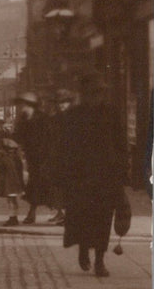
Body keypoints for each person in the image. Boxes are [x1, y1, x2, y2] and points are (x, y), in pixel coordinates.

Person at [54, 74, 123, 277]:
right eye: (93, 93)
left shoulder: (111, 113)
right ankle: (84, 251)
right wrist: (62, 174)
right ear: (85, 95)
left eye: (100, 93)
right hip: (80, 176)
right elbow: (63, 146)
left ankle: (100, 261)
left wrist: (121, 170)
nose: (97, 97)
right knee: (82, 217)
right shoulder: (74, 115)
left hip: (105, 174)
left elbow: (120, 143)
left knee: (103, 219)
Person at [41, 88, 75, 225]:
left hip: (69, 157)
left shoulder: (74, 118)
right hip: (55, 156)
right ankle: (60, 213)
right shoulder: (56, 118)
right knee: (56, 187)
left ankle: (68, 216)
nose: (62, 105)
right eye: (60, 103)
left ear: (69, 103)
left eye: (64, 102)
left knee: (68, 187)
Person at [13, 91, 46, 224]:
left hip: (45, 157)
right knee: (38, 185)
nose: (21, 108)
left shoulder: (42, 119)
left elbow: (49, 138)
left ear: (30, 105)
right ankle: (33, 213)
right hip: (33, 159)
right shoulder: (24, 120)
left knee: (48, 186)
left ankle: (32, 213)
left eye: (23, 105)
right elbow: (18, 137)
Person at [0, 137, 26, 226]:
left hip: (8, 183)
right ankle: (14, 218)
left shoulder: (5, 158)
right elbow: (20, 171)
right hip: (16, 183)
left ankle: (13, 219)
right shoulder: (17, 158)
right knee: (13, 201)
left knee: (11, 201)